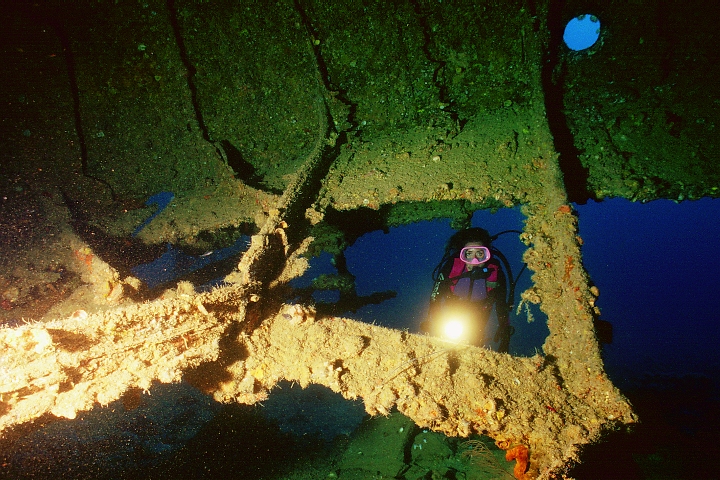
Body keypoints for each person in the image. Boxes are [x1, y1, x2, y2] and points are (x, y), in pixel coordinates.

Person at [422, 228, 513, 351]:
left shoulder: (496, 273)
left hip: (479, 316)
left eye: (480, 254)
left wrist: (505, 333)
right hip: (453, 311)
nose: (474, 261)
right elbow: (435, 296)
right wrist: (433, 320)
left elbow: (501, 305)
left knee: (475, 344)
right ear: (462, 255)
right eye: (468, 254)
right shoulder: (452, 266)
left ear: (487, 255)